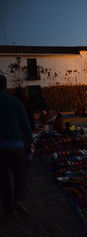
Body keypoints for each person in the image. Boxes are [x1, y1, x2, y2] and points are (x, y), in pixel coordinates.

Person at [0, 74, 33, 217]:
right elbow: (25, 125)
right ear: (5, 86)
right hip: (17, 145)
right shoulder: (16, 102)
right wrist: (30, 141)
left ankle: (9, 208)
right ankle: (19, 200)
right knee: (20, 174)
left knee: (3, 179)